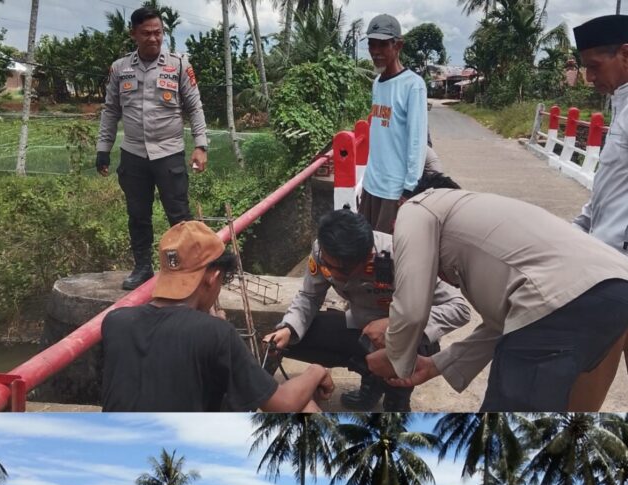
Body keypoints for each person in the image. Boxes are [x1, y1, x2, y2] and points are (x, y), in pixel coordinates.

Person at [366, 173, 628, 412]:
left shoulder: (417, 206)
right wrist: (435, 365)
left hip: (563, 300)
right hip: (616, 289)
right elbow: (501, 327)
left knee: (506, 433)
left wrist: (396, 357)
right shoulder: (491, 229)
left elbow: (411, 309)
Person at [101, 221, 334, 412]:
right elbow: (282, 404)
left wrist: (213, 329)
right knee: (306, 406)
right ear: (213, 277)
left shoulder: (115, 322)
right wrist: (317, 370)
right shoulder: (215, 333)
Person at [262, 209, 470, 411]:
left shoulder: (402, 257)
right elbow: (309, 296)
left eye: (342, 269)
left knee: (403, 358)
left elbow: (459, 308)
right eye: (328, 265)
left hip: (407, 335)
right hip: (360, 325)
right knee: (290, 340)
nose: (333, 274)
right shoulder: (323, 251)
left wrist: (394, 324)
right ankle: (371, 379)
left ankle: (396, 399)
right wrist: (288, 328)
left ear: (368, 256)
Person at [96, 7, 209, 291]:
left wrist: (200, 145)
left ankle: (183, 270)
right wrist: (103, 149)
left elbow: (195, 107)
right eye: (146, 33)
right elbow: (110, 110)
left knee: (178, 216)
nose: (153, 38)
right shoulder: (120, 68)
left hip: (169, 153)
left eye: (158, 32)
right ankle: (143, 268)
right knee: (138, 215)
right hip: (133, 154)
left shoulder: (179, 65)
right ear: (133, 34)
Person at [571, 15, 628, 396]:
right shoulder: (621, 106)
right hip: (605, 265)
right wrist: (574, 230)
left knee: (581, 390)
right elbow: (609, 190)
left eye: (594, 66)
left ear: (625, 54)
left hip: (616, 272)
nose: (589, 78)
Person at [359, 14, 428, 233]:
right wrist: (366, 182)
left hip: (394, 190)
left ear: (398, 45)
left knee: (387, 248)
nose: (375, 51)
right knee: (366, 245)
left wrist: (409, 189)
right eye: (372, 44)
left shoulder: (413, 85)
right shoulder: (377, 83)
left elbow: (417, 140)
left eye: (382, 44)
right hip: (371, 185)